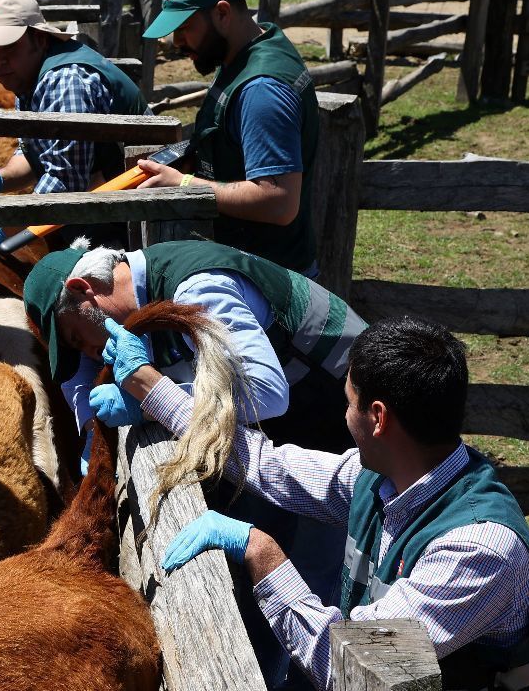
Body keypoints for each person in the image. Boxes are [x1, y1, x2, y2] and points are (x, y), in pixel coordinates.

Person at [22, 238, 367, 687]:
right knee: (269, 571)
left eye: (75, 339)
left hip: (357, 435)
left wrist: (150, 399)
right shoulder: (137, 299)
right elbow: (87, 379)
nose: (88, 353)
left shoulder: (199, 287)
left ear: (84, 289)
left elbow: (265, 391)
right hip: (295, 432)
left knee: (322, 581)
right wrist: (90, 424)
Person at [160, 317, 529, 691]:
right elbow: (270, 466)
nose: (345, 415)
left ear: (378, 418)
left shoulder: (477, 551)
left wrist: (261, 553)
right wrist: (150, 389)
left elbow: (351, 671)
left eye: (348, 401)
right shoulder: (385, 478)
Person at [0, 0, 151, 277]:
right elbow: (36, 153)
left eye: (8, 48)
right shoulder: (28, 80)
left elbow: (65, 179)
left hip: (136, 217)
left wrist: (1, 225)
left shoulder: (64, 79)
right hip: (103, 203)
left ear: (40, 38)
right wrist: (1, 179)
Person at [138, 0, 321, 277]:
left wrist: (183, 185)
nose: (176, 42)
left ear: (222, 13)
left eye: (184, 28)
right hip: (250, 267)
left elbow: (278, 201)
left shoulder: (261, 90)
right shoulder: (250, 49)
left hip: (267, 282)